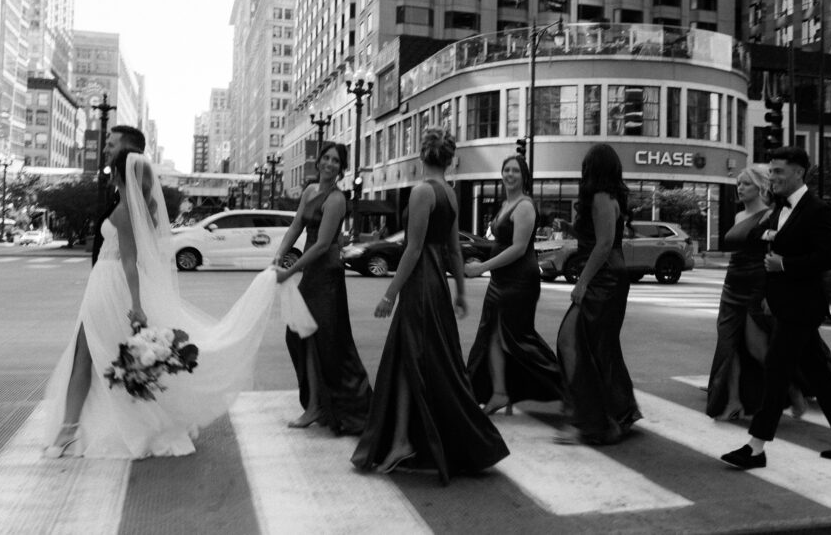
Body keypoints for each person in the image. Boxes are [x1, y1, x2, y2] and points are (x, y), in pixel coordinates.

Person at [42, 151, 281, 458]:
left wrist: (137, 305)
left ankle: (69, 431)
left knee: (87, 357)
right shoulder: (133, 208)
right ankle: (77, 428)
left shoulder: (124, 211)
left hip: (110, 285)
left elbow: (129, 261)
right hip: (106, 284)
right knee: (98, 356)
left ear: (116, 175)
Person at [351, 128, 509, 484]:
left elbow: (413, 248)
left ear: (422, 155)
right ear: (449, 159)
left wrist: (389, 294)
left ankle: (408, 439)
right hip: (436, 286)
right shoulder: (450, 196)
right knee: (416, 361)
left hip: (421, 286)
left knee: (415, 360)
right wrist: (461, 292)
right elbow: (454, 250)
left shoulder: (423, 191)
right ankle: (404, 439)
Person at [722, 147, 831, 470]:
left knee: (775, 369)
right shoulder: (778, 209)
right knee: (819, 375)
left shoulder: (818, 211)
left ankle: (756, 447)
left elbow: (829, 257)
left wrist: (786, 264)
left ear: (799, 173)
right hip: (782, 303)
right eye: (771, 171)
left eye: (778, 172)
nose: (772, 177)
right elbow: (767, 247)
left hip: (803, 306)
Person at [273, 142, 372, 435]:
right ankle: (315, 403)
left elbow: (321, 245)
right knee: (300, 336)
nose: (329, 164)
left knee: (325, 344)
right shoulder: (310, 191)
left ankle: (323, 406)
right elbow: (296, 227)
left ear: (341, 169)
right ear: (318, 162)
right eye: (326, 158)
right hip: (312, 276)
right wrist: (279, 254)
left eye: (336, 161)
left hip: (326, 277)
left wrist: (289, 270)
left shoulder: (337, 199)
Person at [555, 144, 641, 445]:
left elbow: (604, 244)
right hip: (609, 276)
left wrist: (582, 283)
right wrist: (572, 229)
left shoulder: (603, 197)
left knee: (574, 342)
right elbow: (601, 238)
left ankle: (595, 420)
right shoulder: (607, 197)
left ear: (593, 167)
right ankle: (615, 414)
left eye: (586, 164)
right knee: (598, 346)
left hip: (604, 278)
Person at [464, 155, 562, 415]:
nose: (509, 174)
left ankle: (570, 390)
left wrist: (482, 267)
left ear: (524, 176)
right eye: (506, 169)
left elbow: (519, 248)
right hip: (501, 280)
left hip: (519, 281)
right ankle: (498, 393)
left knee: (519, 340)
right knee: (492, 337)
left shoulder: (525, 206)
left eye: (515, 171)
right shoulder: (507, 203)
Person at [706, 165, 774, 420]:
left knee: (757, 348)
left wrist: (768, 294)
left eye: (745, 184)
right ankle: (733, 400)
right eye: (739, 183)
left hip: (754, 287)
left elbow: (771, 254)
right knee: (728, 345)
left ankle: (789, 387)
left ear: (760, 187)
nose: (740, 188)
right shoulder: (737, 216)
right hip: (731, 286)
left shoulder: (769, 216)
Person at [91, 126, 146, 265]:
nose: (104, 150)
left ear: (127, 150)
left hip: (117, 283)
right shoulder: (120, 197)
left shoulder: (133, 205)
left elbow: (131, 262)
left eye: (110, 145)